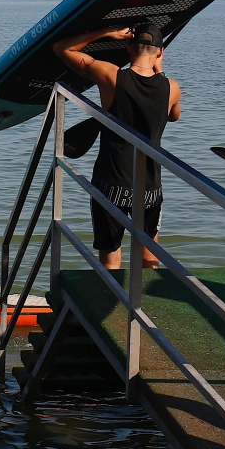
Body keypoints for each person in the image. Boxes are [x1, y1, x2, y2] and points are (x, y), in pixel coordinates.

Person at [51, 25, 181, 270]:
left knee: (110, 254)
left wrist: (105, 32)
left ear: (129, 48)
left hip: (111, 183)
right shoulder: (171, 88)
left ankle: (112, 292)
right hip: (149, 186)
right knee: (149, 254)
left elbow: (62, 48)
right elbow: (174, 116)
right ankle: (145, 295)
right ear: (160, 52)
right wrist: (160, 72)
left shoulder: (111, 75)